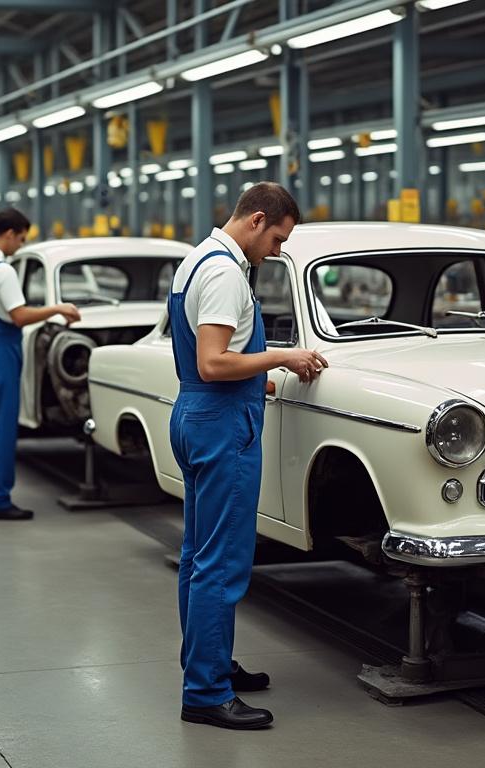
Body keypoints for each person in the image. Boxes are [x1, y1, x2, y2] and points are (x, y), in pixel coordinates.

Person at [169, 183, 326, 730]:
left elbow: (202, 360)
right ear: (258, 220)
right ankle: (206, 693)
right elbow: (214, 362)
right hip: (218, 426)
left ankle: (210, 665)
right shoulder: (223, 273)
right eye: (278, 238)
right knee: (222, 561)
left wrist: (253, 382)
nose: (279, 250)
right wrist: (281, 357)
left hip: (199, 414)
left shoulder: (197, 259)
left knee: (198, 555)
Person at [0, 208, 80, 520]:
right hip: (1, 352)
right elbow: (19, 316)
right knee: (2, 429)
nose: (19, 246)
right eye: (20, 239)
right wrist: (55, 309)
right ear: (8, 233)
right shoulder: (3, 271)